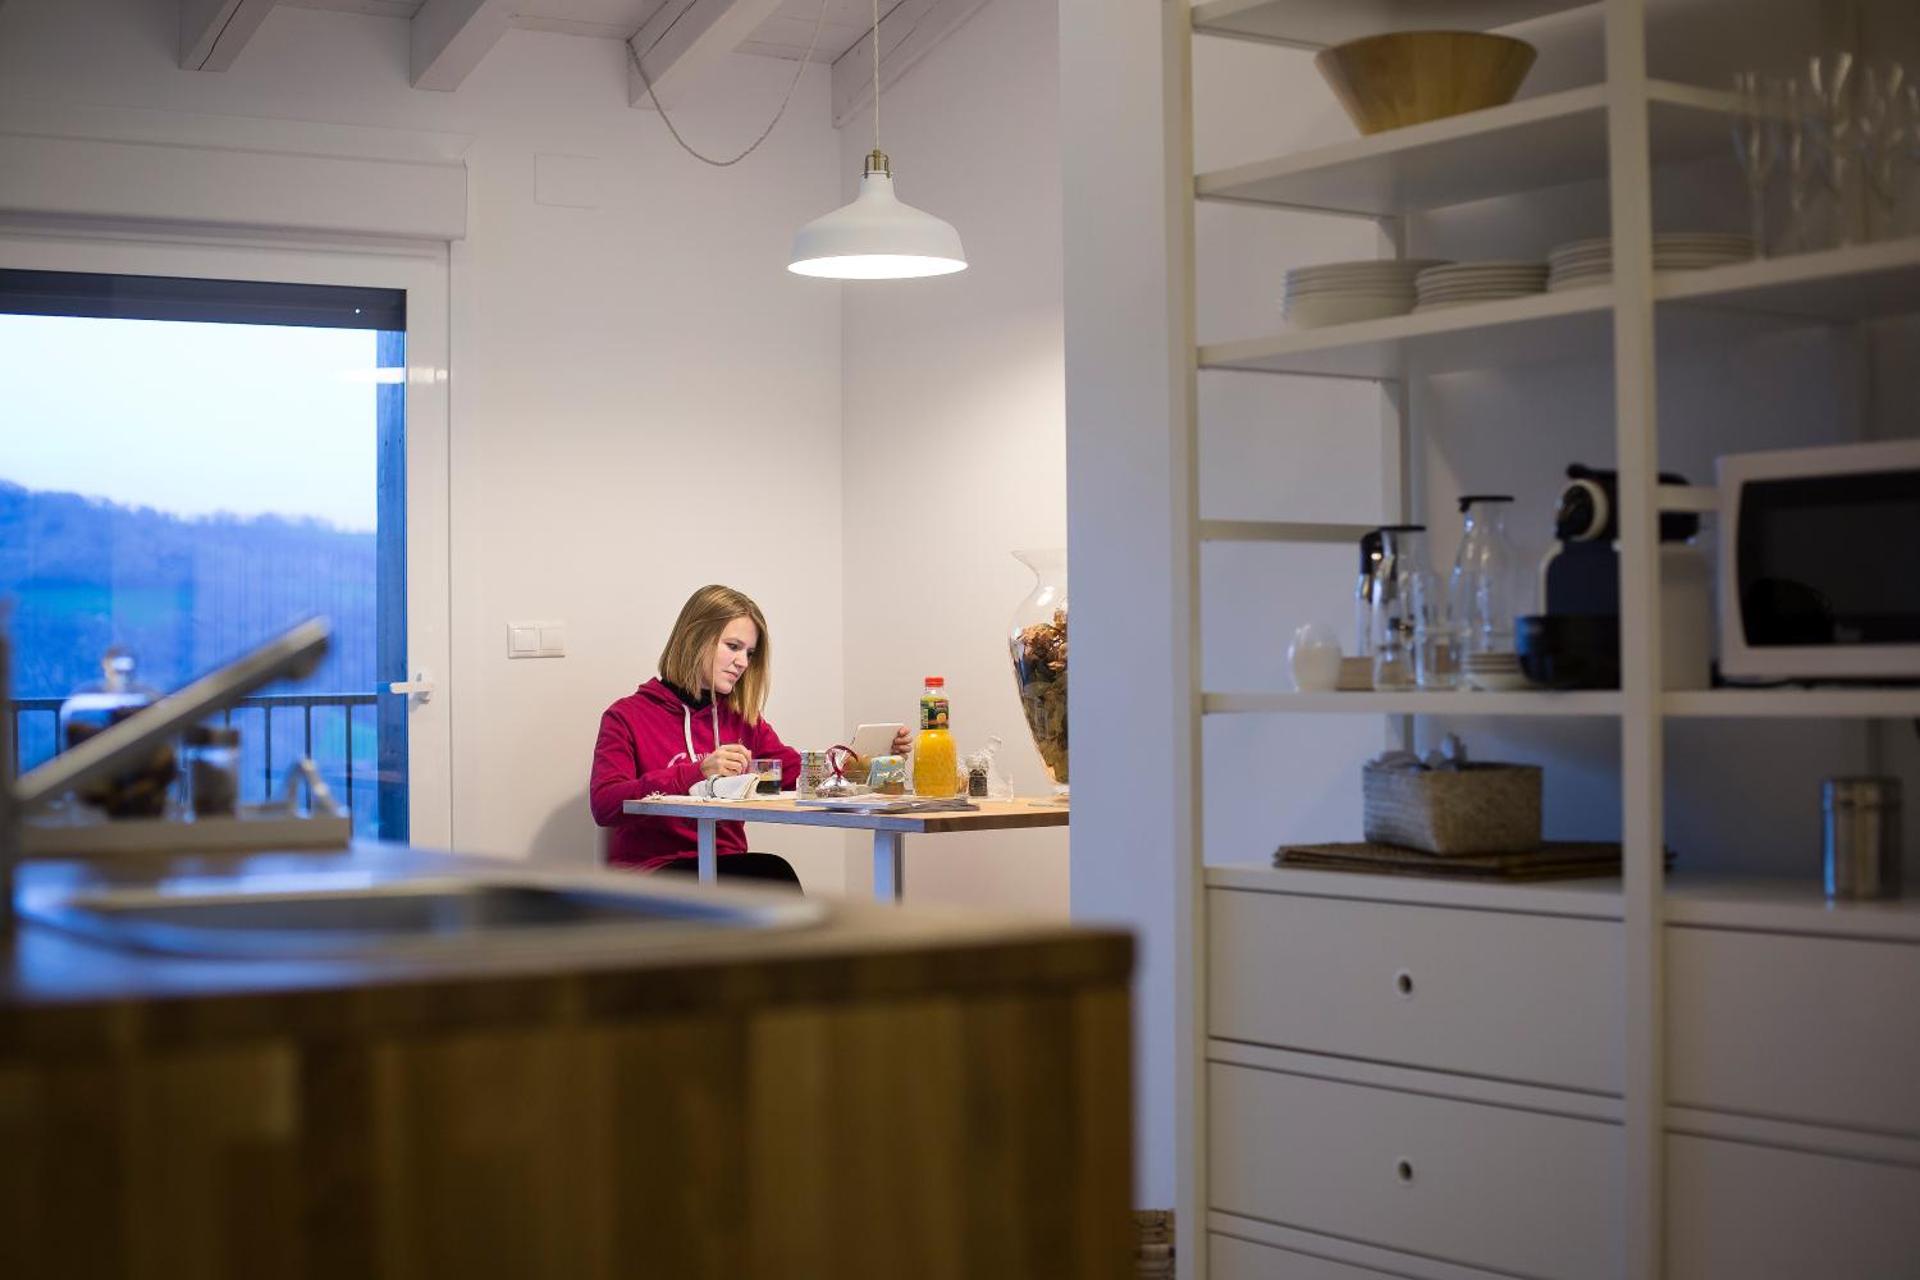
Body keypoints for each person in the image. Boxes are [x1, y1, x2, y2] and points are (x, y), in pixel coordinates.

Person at [588, 584, 909, 887]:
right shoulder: (626, 716)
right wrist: (695, 772)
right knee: (771, 875)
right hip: (653, 871)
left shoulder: (742, 721)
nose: (742, 662)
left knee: (771, 876)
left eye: (750, 653)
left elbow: (797, 774)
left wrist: (862, 761)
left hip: (724, 864)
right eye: (733, 647)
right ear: (694, 638)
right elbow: (605, 804)